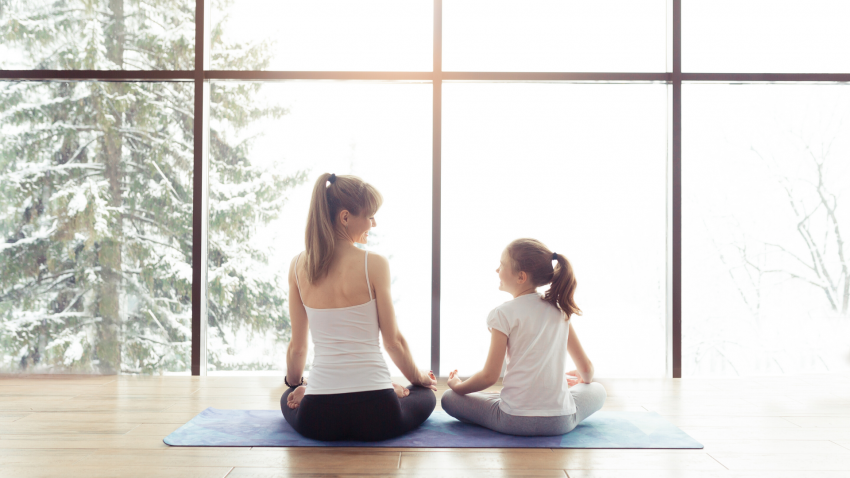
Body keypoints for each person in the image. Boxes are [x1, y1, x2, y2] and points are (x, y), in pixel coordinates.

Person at [281, 173, 437, 441]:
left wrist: (295, 384)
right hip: (379, 413)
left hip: (317, 419)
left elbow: (298, 347)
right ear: (345, 217)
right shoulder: (374, 264)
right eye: (370, 216)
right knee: (424, 392)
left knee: (287, 396)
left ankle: (307, 390)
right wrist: (419, 377)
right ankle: (389, 386)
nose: (373, 223)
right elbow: (394, 343)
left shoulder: (298, 266)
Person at [441, 238, 606, 436]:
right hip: (561, 422)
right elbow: (587, 371)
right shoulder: (560, 311)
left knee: (449, 398)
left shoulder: (502, 314)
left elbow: (489, 376)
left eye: (501, 265)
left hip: (512, 420)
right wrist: (579, 377)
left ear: (521, 277)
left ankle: (488, 397)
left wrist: (458, 386)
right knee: (597, 389)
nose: (497, 270)